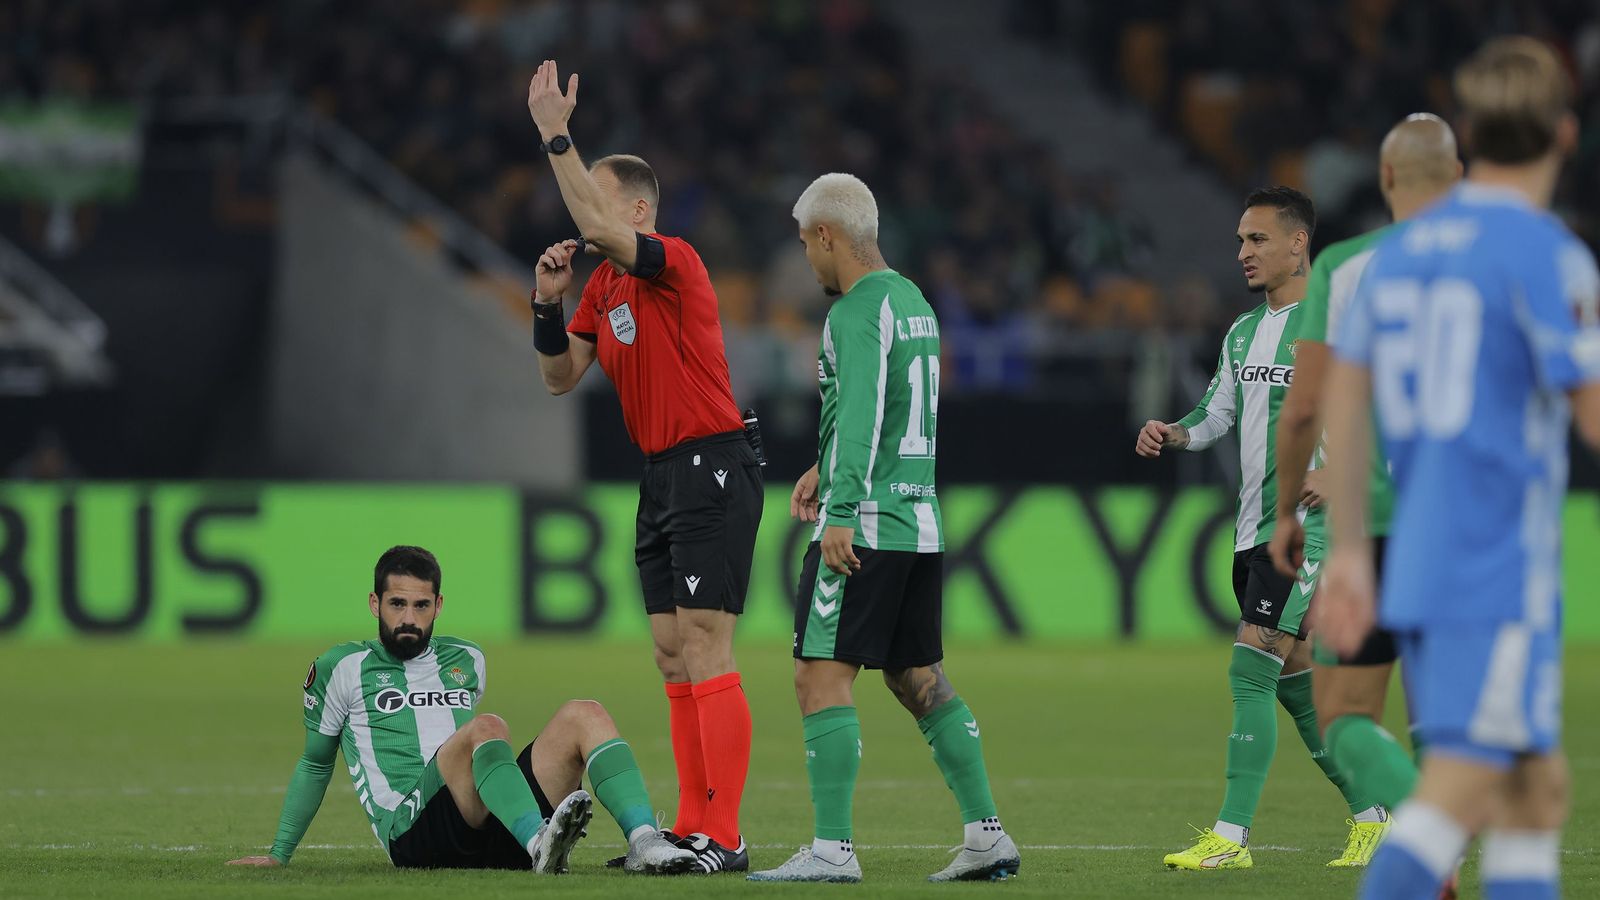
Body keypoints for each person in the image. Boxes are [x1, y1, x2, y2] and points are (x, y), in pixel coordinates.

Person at [1321, 37, 1600, 900]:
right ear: (1566, 133)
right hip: (1497, 568)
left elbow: (1343, 402)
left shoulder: (1395, 258)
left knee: (1532, 790)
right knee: (1457, 796)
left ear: (1473, 135)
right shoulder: (1546, 253)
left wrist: (1352, 556)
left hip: (1420, 561)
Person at [524, 59, 761, 873]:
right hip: (661, 474)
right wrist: (546, 305)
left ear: (634, 209)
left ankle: (721, 835)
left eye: (594, 192)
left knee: (705, 642)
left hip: (711, 463)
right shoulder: (602, 291)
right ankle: (691, 825)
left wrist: (554, 131)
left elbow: (589, 221)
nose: (580, 205)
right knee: (669, 648)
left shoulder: (676, 265)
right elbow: (560, 378)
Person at [748, 173, 1019, 884]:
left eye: (807, 242)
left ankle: (832, 850)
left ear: (829, 236)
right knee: (916, 676)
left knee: (817, 675)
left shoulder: (855, 311)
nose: (807, 258)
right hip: (916, 521)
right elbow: (899, 410)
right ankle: (986, 833)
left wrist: (841, 507)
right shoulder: (913, 300)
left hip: (866, 524)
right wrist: (823, 462)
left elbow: (866, 405)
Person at [1135, 186, 1387, 870]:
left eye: (1257, 240)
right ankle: (1375, 815)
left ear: (1299, 242)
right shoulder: (1244, 332)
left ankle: (1232, 837)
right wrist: (1174, 432)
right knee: (1295, 680)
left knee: (1251, 666)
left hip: (1313, 528)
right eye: (1241, 241)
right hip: (1255, 526)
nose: (1243, 252)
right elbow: (1217, 413)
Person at [225, 545, 695, 874]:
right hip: (411, 832)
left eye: (420, 605)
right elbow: (314, 762)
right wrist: (279, 853)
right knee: (486, 728)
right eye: (396, 604)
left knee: (584, 713)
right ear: (374, 604)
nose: (408, 617)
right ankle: (540, 843)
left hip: (489, 818)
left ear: (438, 605)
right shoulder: (341, 667)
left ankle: (644, 843)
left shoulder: (466, 658)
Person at [1267, 115, 1462, 835]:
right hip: (1474, 523)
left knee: (1346, 713)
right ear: (1459, 180)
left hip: (1377, 524)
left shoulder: (1346, 268)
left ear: (1384, 179)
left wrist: (1287, 510)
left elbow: (1302, 409)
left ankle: (1427, 827)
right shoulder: (1502, 259)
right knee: (1447, 712)